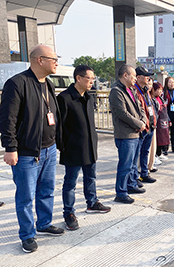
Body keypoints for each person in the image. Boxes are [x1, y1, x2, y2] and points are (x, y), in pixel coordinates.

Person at [0, 45, 65, 253]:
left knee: (46, 191)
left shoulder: (48, 84)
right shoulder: (17, 83)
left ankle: (44, 223)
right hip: (28, 153)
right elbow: (7, 119)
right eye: (53, 59)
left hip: (49, 149)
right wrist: (10, 147)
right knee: (26, 196)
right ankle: (27, 235)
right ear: (39, 60)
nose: (56, 62)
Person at [57, 65, 111, 231]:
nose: (92, 82)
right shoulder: (65, 98)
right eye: (89, 79)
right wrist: (62, 146)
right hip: (73, 148)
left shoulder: (88, 97)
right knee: (70, 183)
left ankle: (92, 202)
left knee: (91, 177)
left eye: (93, 79)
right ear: (78, 78)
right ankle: (69, 213)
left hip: (90, 146)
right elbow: (59, 127)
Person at [109, 65, 147, 204]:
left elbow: (140, 107)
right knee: (125, 165)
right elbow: (122, 113)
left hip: (135, 133)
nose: (135, 79)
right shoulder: (116, 91)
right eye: (133, 76)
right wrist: (139, 124)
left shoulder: (131, 90)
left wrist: (143, 121)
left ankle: (130, 185)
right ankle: (121, 192)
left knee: (132, 164)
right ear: (125, 75)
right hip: (125, 134)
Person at [134, 66, 157, 183]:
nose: (148, 78)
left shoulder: (146, 90)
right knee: (137, 153)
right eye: (145, 76)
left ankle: (144, 173)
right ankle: (134, 177)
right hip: (142, 126)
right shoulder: (135, 90)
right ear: (138, 77)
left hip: (151, 125)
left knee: (145, 151)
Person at [154, 82, 170, 159]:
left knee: (163, 138)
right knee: (158, 139)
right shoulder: (153, 99)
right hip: (158, 121)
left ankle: (160, 153)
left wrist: (168, 120)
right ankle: (156, 154)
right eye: (158, 90)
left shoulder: (161, 98)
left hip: (164, 121)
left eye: (161, 90)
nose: (160, 92)